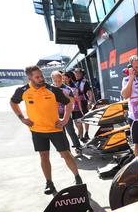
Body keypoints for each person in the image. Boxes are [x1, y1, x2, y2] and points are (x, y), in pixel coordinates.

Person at [10, 65, 83, 195]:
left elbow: (68, 103)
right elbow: (13, 102)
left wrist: (65, 120)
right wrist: (22, 118)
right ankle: (49, 183)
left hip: (55, 129)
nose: (41, 79)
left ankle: (78, 178)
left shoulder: (53, 90)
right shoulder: (23, 90)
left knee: (65, 154)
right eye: (37, 77)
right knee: (44, 157)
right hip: (37, 131)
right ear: (30, 78)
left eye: (41, 76)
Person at [51, 71, 83, 156]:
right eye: (55, 81)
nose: (57, 83)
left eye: (59, 81)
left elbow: (73, 101)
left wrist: (62, 94)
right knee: (61, 134)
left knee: (71, 131)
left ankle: (78, 147)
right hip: (55, 115)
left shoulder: (67, 88)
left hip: (66, 113)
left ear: (62, 79)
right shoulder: (49, 89)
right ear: (52, 80)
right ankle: (67, 151)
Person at [74, 68, 96, 142]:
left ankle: (86, 133)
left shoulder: (84, 82)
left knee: (85, 118)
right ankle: (80, 133)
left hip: (83, 103)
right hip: (75, 104)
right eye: (75, 73)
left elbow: (90, 93)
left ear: (81, 74)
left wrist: (90, 102)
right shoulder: (74, 82)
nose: (76, 74)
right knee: (77, 120)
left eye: (78, 73)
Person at [64, 71, 84, 141]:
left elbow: (77, 99)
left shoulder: (74, 87)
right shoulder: (63, 87)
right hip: (68, 109)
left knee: (79, 123)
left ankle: (81, 137)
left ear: (69, 78)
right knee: (75, 124)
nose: (64, 80)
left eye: (66, 78)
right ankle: (79, 135)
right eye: (63, 78)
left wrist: (81, 110)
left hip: (76, 108)